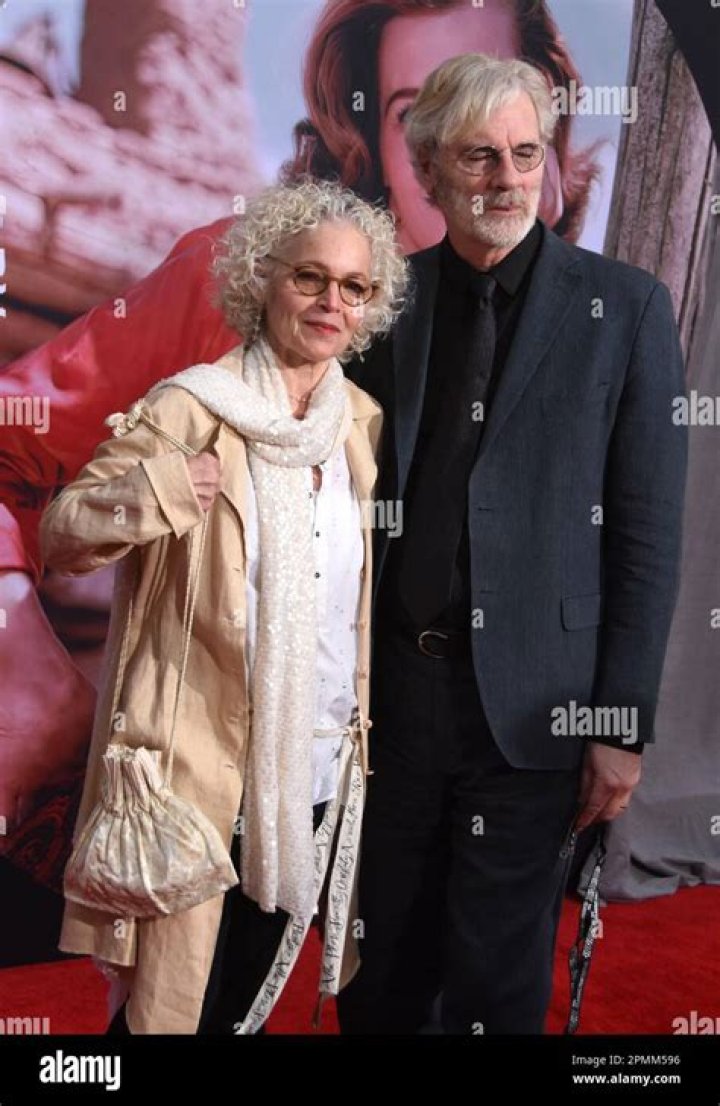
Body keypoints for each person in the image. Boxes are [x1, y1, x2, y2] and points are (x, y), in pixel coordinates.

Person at [0, 0, 601, 848]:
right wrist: (26, 677)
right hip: (227, 832)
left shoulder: (596, 327)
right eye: (417, 112)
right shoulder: (234, 282)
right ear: (375, 146)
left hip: (475, 837)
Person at [335, 53, 688, 1034]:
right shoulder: (381, 303)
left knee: (495, 987)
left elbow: (647, 537)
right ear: (427, 169)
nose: (506, 178)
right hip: (392, 698)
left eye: (526, 154)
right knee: (378, 970)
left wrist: (621, 724)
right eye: (479, 156)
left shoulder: (626, 309)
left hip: (540, 707)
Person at [37, 179, 409, 1034]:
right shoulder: (191, 407)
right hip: (195, 773)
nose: (332, 302)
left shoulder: (360, 424)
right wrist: (161, 489)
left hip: (314, 772)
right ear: (263, 279)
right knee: (169, 1012)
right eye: (310, 277)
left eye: (354, 287)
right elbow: (63, 535)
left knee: (247, 1000)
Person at [282, 0, 600, 251]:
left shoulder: (604, 297)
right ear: (375, 148)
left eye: (487, 99)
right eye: (413, 113)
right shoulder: (293, 289)